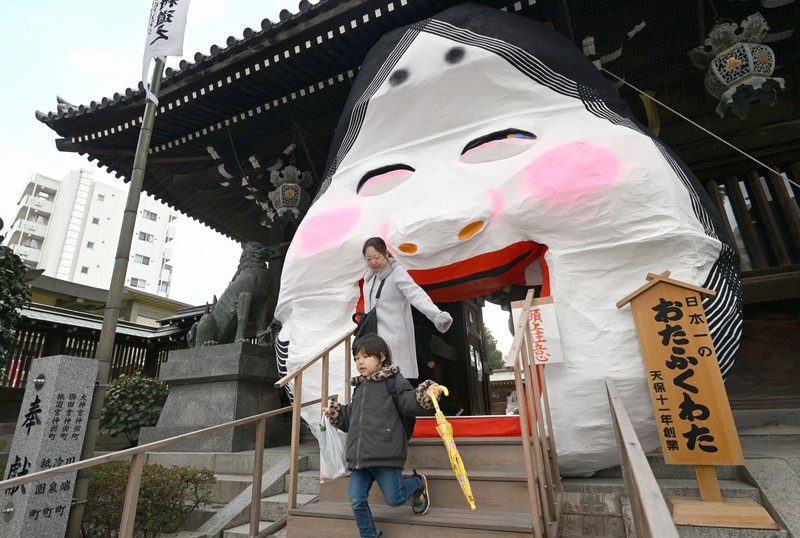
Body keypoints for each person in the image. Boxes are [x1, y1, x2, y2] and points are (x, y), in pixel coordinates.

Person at [323, 334, 444, 538]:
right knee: (356, 499)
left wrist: (425, 394)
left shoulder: (393, 380)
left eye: (365, 356)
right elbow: (352, 417)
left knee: (395, 499)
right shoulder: (359, 387)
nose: (360, 362)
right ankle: (369, 535)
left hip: (385, 453)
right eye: (356, 358)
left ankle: (417, 483)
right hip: (360, 458)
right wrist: (336, 413)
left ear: (381, 357)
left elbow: (408, 402)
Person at [360, 236, 453, 383]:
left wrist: (436, 315)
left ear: (386, 253)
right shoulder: (369, 280)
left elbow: (416, 294)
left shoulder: (397, 272)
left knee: (396, 381)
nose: (373, 262)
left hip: (394, 338)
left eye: (377, 257)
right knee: (377, 385)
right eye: (368, 259)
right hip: (374, 341)